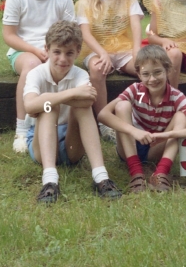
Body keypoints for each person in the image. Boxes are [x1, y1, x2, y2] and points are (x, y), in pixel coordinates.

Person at [23, 21, 122, 203]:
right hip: (41, 143)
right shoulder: (36, 73)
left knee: (80, 107)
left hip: (71, 144)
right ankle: (50, 181)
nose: (63, 59)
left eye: (69, 53)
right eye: (57, 52)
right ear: (47, 49)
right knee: (47, 107)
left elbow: (88, 99)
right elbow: (29, 106)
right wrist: (71, 93)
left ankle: (101, 177)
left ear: (78, 52)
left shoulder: (80, 74)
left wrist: (52, 97)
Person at [98, 45, 186, 193]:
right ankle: (136, 173)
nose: (152, 79)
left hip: (155, 147)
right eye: (146, 74)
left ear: (168, 70)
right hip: (128, 146)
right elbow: (103, 114)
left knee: (182, 115)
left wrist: (167, 135)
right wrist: (134, 131)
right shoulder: (135, 89)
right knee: (122, 106)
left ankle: (161, 173)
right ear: (139, 74)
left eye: (157, 72)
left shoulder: (176, 96)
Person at [2, 0, 75, 153]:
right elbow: (9, 35)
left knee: (66, 67)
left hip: (55, 51)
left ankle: (64, 125)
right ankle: (22, 130)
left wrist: (55, 53)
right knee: (33, 65)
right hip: (24, 51)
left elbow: (71, 34)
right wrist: (35, 50)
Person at [75, 0, 143, 142]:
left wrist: (137, 50)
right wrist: (102, 53)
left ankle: (144, 115)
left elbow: (135, 24)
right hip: (96, 48)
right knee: (97, 69)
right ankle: (104, 123)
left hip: (123, 48)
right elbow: (85, 33)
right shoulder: (86, 0)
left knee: (144, 68)